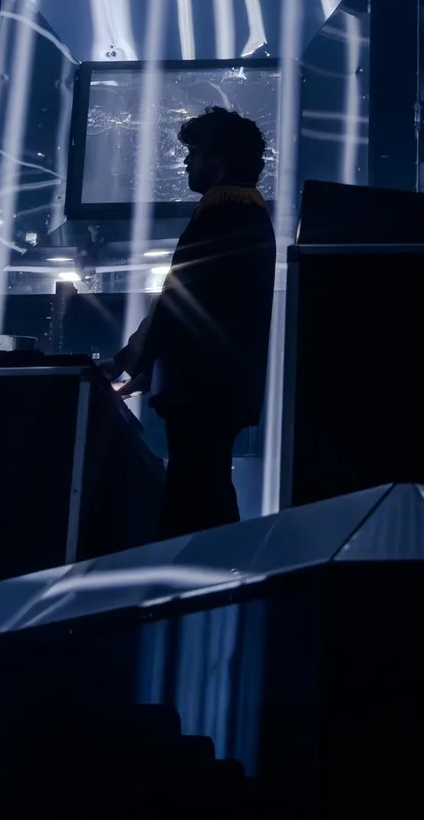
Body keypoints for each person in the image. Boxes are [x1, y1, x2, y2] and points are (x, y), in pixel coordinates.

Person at [107, 106, 274, 539]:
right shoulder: (246, 212)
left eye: (194, 151)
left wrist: (129, 359)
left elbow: (179, 299)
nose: (186, 161)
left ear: (216, 160)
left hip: (201, 389)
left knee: (196, 496)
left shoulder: (222, 212)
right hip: (216, 386)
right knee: (207, 488)